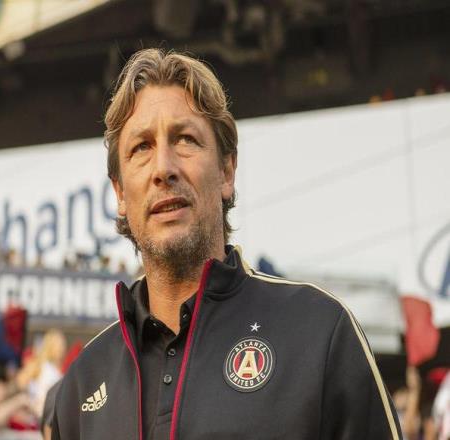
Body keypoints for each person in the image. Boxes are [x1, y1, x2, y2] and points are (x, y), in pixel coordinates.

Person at [52, 48, 402, 439]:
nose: (163, 168)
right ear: (119, 193)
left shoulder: (321, 331)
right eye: (141, 148)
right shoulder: (82, 384)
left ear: (226, 171)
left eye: (185, 139)